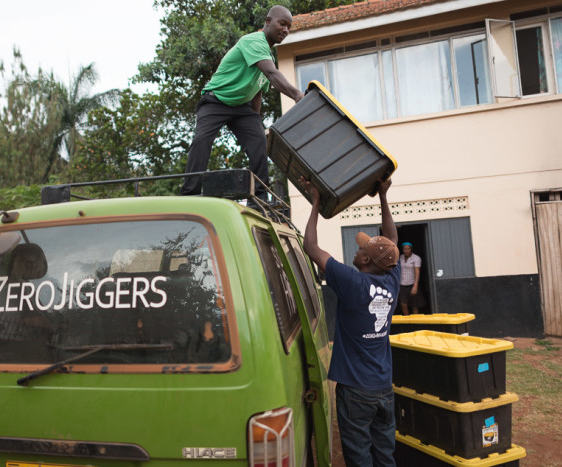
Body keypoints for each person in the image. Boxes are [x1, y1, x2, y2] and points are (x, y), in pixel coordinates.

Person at [301, 177, 400, 467]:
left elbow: (310, 246)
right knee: (385, 454)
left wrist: (316, 202)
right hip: (383, 388)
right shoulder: (392, 280)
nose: (357, 249)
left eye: (362, 249)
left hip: (356, 391)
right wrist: (383, 196)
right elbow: (391, 241)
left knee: (358, 457)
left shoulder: (352, 281)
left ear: (367, 260)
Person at [180, 5, 305, 199]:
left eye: (289, 27)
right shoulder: (254, 41)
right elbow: (272, 74)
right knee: (201, 140)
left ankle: (259, 197)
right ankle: (190, 192)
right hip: (216, 99)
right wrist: (297, 94)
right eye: (282, 24)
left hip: (242, 107)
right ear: (268, 21)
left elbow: (257, 93)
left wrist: (254, 123)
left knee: (259, 143)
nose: (285, 30)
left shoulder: (268, 56)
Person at [398, 242, 427, 315]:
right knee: (403, 304)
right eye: (404, 249)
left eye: (408, 249)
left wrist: (415, 286)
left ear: (411, 249)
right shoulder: (400, 257)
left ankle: (415, 324)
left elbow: (417, 271)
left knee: (414, 305)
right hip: (402, 284)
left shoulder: (416, 258)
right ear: (402, 249)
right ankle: (407, 321)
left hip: (412, 284)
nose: (406, 250)